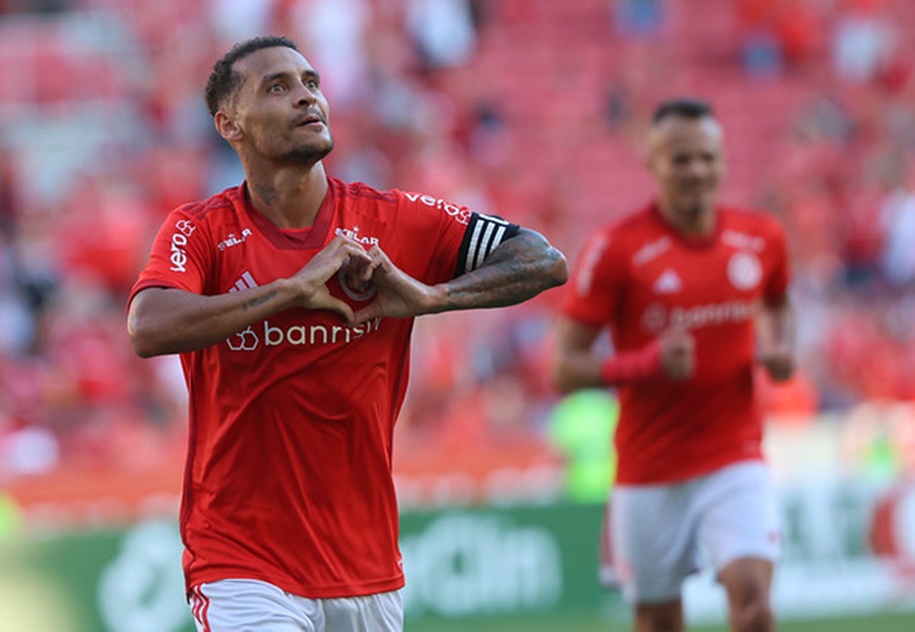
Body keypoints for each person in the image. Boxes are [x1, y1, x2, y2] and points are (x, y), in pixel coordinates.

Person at [127, 35, 567, 631]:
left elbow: (542, 259)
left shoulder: (393, 218)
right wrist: (290, 290)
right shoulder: (200, 231)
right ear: (229, 124)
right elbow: (148, 326)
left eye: (311, 83)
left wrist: (433, 297)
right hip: (241, 562)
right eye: (277, 88)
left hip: (369, 569)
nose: (307, 98)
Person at [551, 98, 796, 632]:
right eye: (681, 159)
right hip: (650, 466)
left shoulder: (762, 237)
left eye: (707, 158)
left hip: (736, 455)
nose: (696, 171)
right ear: (653, 162)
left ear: (724, 160)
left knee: (754, 603)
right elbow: (564, 369)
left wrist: (781, 349)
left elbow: (778, 301)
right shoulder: (615, 249)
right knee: (659, 620)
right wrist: (645, 364)